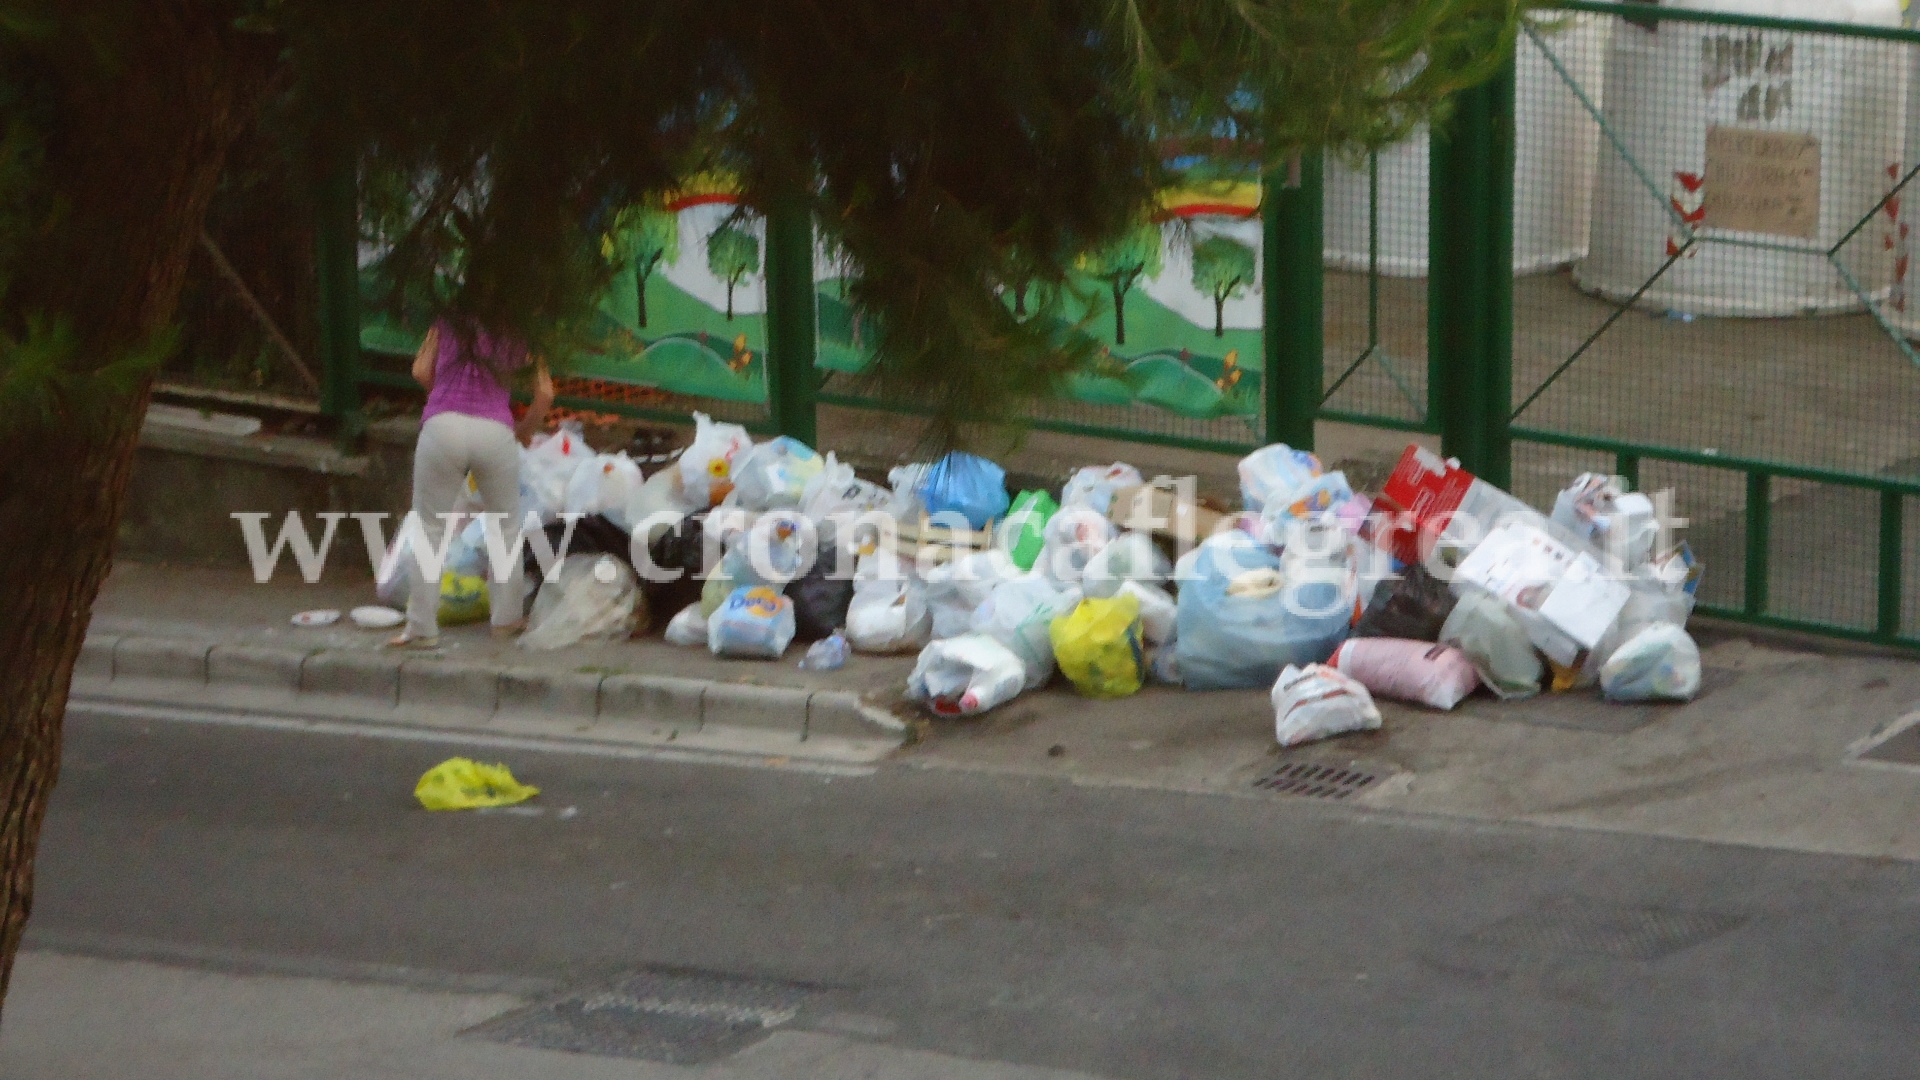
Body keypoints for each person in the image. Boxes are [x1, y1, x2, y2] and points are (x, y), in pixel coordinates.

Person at [388, 317, 554, 648]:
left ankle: (421, 628)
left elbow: (421, 370)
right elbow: (545, 394)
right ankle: (506, 621)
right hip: (495, 430)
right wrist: (524, 430)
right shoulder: (522, 328)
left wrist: (448, 399)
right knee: (505, 527)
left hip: (442, 426)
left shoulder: (447, 320)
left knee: (429, 527)